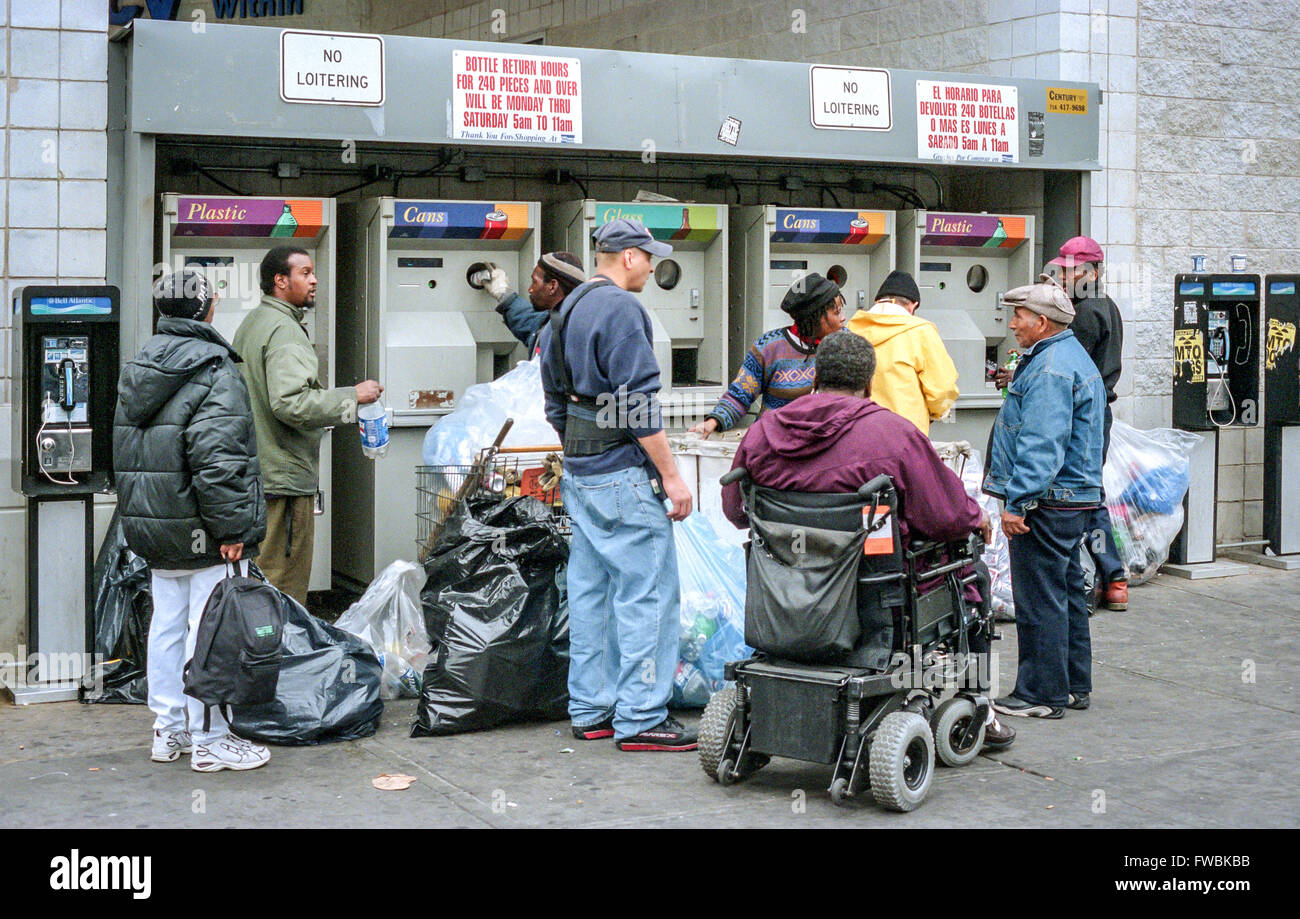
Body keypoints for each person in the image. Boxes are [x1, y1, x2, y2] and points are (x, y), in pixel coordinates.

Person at [720, 331, 1014, 751]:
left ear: (814, 376)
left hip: (781, 595)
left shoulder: (762, 433)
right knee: (975, 573)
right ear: (870, 382)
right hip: (873, 599)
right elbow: (944, 516)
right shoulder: (893, 435)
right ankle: (980, 706)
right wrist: (976, 516)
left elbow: (735, 512)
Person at [538, 218, 697, 752]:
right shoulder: (624, 310)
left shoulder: (563, 312)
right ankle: (642, 717)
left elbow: (555, 406)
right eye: (649, 257)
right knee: (646, 593)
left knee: (590, 593)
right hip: (622, 476)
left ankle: (591, 709)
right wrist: (672, 478)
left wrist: (584, 448)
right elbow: (637, 405)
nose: (653, 267)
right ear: (627, 256)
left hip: (580, 473)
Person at [114, 269, 271, 772]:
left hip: (156, 526)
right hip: (206, 529)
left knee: (167, 627)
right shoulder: (215, 368)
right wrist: (233, 530)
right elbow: (218, 459)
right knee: (212, 631)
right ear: (206, 307)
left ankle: (169, 731)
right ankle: (211, 740)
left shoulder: (141, 364)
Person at [232, 246, 383, 607]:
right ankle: (277, 657)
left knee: (256, 578)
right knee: (281, 585)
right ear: (280, 281)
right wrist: (352, 397)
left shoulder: (254, 323)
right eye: (305, 273)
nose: (314, 280)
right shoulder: (284, 330)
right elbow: (289, 403)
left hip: (257, 471)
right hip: (282, 477)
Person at [984, 281, 1105, 719]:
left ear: (1041, 322)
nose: (1012, 323)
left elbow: (1041, 443)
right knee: (1067, 591)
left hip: (1048, 502)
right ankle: (1072, 685)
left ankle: (1040, 694)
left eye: (1018, 316)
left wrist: (1017, 503)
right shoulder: (1067, 356)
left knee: (1039, 598)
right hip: (1072, 499)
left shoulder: (1050, 367)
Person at [1047, 237, 1127, 613]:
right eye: (1061, 270)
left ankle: (1109, 576)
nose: (1063, 276)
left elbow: (1067, 372)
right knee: (1089, 493)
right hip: (1097, 413)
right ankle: (1112, 578)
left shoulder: (1085, 314)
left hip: (1084, 416)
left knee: (1083, 497)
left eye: (1071, 271)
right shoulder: (1106, 306)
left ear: (1092, 273)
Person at [690, 272, 844, 437]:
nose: (843, 318)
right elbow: (740, 394)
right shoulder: (769, 347)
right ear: (815, 318)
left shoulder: (846, 345)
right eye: (837, 313)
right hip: (774, 444)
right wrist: (713, 422)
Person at [846, 269, 959, 435]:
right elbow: (942, 389)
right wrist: (937, 412)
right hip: (905, 437)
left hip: (858, 434)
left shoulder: (851, 329)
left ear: (878, 301)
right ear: (913, 305)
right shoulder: (921, 331)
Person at [476, 252, 586, 356]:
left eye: (534, 282)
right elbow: (529, 321)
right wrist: (503, 294)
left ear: (552, 286)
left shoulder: (568, 337)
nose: (530, 289)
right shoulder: (556, 322)